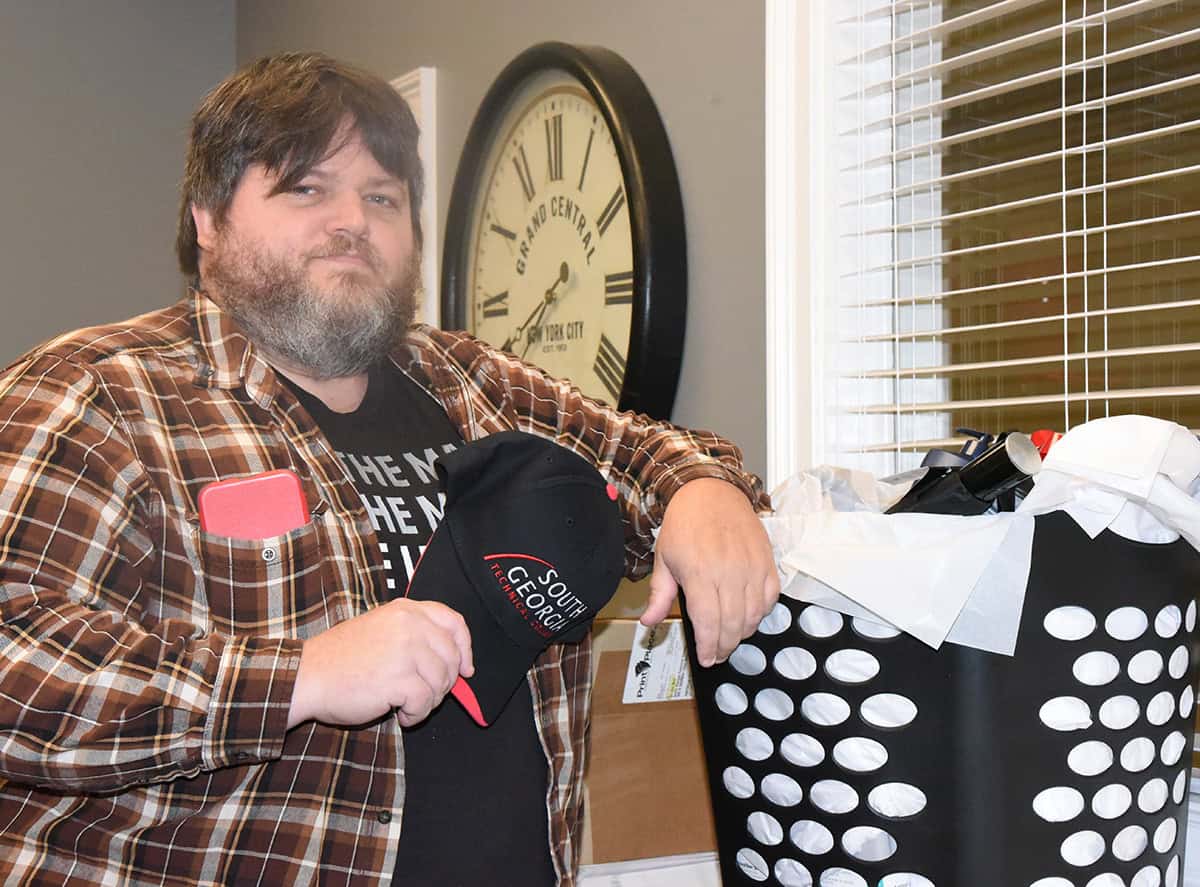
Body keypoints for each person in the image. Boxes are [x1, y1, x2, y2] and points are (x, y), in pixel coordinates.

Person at [0, 52, 777, 886]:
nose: (352, 221)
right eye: (307, 188)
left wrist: (702, 489)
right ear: (207, 220)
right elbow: (17, 667)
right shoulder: (96, 394)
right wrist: (301, 677)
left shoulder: (471, 380)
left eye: (382, 197)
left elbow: (640, 451)